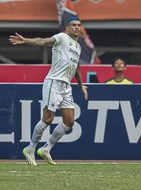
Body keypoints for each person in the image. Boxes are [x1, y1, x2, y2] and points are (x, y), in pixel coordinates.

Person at [9, 17, 89, 166]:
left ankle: (46, 149)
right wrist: (26, 40)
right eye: (74, 25)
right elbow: (43, 41)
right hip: (54, 81)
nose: (77, 27)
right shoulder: (62, 38)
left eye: (79, 25)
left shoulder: (78, 47)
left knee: (69, 121)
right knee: (48, 119)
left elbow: (76, 68)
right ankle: (30, 148)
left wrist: (81, 85)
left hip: (66, 85)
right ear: (68, 28)